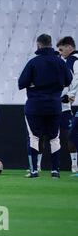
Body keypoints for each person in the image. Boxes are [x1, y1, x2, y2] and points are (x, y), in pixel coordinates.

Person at [18, 34, 72, 178]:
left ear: (38, 45)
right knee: (54, 138)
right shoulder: (60, 62)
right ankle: (55, 171)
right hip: (54, 106)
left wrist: (34, 84)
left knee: (34, 137)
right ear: (51, 44)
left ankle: (34, 170)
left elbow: (21, 83)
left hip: (34, 106)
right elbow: (69, 80)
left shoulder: (33, 62)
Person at [57, 36, 78, 173]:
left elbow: (77, 77)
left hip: (75, 102)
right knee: (72, 134)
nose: (60, 53)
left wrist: (70, 94)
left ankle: (75, 167)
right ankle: (75, 167)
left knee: (72, 134)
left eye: (61, 49)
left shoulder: (74, 60)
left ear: (69, 47)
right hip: (74, 104)